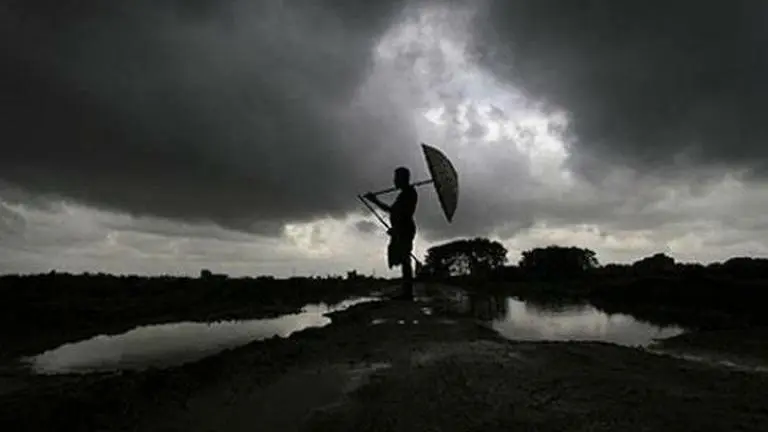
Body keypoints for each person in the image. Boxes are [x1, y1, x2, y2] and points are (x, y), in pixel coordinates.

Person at [364, 167, 418, 300]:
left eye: (396, 178)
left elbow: (404, 213)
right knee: (402, 257)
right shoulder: (404, 193)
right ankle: (407, 291)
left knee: (405, 259)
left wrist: (397, 229)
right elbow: (392, 211)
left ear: (403, 179)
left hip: (404, 229)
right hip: (401, 229)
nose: (394, 181)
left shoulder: (409, 193)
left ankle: (408, 293)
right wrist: (374, 201)